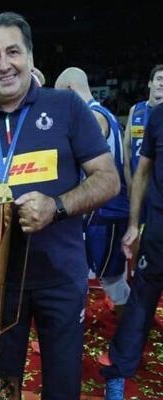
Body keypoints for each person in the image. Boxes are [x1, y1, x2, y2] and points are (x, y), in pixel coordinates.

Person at [0, 12, 120, 400]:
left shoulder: (66, 106)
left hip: (61, 277)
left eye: (13, 52)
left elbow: (108, 179)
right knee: (3, 385)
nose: (4, 64)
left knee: (62, 385)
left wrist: (57, 207)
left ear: (30, 57)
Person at [55, 67, 130, 315]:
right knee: (95, 273)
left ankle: (130, 329)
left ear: (70, 90)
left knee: (112, 280)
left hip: (106, 211)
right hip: (107, 209)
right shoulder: (104, 114)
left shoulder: (92, 117)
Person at [101, 103, 163, 399]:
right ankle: (119, 371)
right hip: (158, 230)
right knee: (141, 300)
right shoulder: (158, 116)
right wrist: (134, 224)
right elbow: (142, 173)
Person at [123, 65, 163, 193]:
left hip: (158, 188)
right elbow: (126, 147)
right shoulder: (135, 110)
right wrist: (129, 181)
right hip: (137, 185)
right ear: (150, 83)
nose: (162, 84)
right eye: (159, 79)